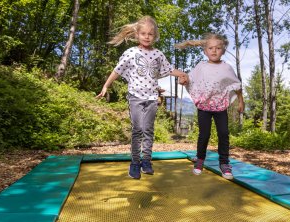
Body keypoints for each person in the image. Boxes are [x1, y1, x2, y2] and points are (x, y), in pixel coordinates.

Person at [96, 16, 188, 179]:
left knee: (148, 130)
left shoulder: (158, 54)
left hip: (152, 98)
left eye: (150, 34)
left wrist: (181, 73)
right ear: (137, 34)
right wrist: (106, 85)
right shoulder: (131, 53)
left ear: (155, 36)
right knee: (137, 129)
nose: (147, 36)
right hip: (135, 97)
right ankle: (134, 163)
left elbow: (169, 69)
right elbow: (117, 70)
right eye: (143, 33)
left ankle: (146, 161)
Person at [175, 33, 244, 180]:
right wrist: (184, 80)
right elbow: (190, 79)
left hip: (220, 107)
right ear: (205, 51)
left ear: (223, 50)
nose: (214, 51)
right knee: (204, 134)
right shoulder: (201, 66)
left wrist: (241, 100)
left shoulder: (227, 68)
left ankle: (224, 163)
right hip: (204, 107)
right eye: (211, 48)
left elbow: (236, 85)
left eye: (218, 48)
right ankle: (200, 160)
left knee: (224, 134)